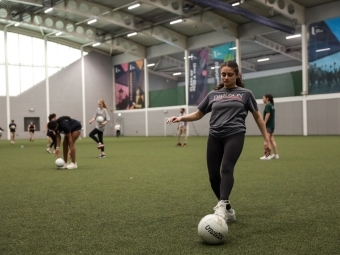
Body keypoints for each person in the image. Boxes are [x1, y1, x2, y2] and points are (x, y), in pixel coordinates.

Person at [167, 60, 270, 224]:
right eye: (223, 74)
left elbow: (258, 117)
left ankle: (221, 205)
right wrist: (180, 117)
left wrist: (266, 140)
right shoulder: (213, 95)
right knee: (213, 176)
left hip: (235, 134)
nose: (226, 77)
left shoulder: (245, 94)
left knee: (227, 167)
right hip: (215, 136)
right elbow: (198, 114)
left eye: (230, 74)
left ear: (237, 75)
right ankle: (228, 209)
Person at [260, 94, 279, 160]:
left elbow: (268, 114)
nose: (262, 99)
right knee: (271, 140)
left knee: (266, 140)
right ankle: (276, 155)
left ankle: (267, 156)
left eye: (263, 98)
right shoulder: (272, 105)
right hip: (272, 125)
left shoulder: (268, 105)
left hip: (268, 126)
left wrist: (264, 123)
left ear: (267, 98)